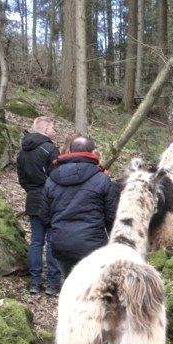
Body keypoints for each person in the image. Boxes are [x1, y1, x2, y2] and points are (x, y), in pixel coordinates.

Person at [39, 136, 119, 279]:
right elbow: (111, 216)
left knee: (69, 283)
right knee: (91, 289)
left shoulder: (52, 178)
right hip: (92, 245)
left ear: (70, 150)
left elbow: (44, 217)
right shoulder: (101, 178)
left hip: (61, 244)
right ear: (93, 152)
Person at [17, 116, 61, 295]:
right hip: (50, 199)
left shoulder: (22, 152)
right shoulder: (50, 149)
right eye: (52, 128)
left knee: (36, 241)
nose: (54, 132)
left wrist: (32, 190)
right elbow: (58, 176)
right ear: (44, 130)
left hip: (33, 198)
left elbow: (22, 178)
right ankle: (52, 283)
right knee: (51, 241)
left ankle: (35, 282)